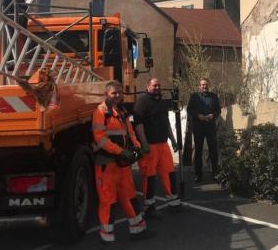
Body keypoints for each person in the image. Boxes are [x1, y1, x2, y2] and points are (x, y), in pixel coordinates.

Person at [91, 80, 154, 243]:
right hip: (107, 163)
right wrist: (121, 151)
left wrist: (138, 147)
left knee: (130, 197)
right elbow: (100, 138)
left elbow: (130, 132)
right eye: (114, 93)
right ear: (106, 94)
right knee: (108, 201)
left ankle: (138, 230)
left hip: (122, 164)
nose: (117, 95)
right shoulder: (100, 111)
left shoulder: (123, 111)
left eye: (119, 92)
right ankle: (107, 239)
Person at [133, 78, 182, 218]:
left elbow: (166, 123)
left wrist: (172, 140)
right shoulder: (142, 102)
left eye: (159, 85)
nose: (157, 87)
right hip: (150, 146)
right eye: (154, 85)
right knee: (149, 176)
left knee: (169, 173)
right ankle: (149, 207)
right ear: (147, 86)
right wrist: (144, 143)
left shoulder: (161, 102)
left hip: (163, 144)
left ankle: (174, 203)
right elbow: (138, 124)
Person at [187, 78, 221, 182]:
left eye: (206, 85)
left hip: (210, 126)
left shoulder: (213, 96)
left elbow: (218, 110)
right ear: (199, 86)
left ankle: (215, 173)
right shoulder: (194, 96)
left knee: (213, 150)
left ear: (208, 85)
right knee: (198, 151)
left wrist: (212, 115)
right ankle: (198, 174)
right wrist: (198, 116)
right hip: (198, 126)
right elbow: (189, 109)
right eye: (202, 85)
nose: (204, 87)